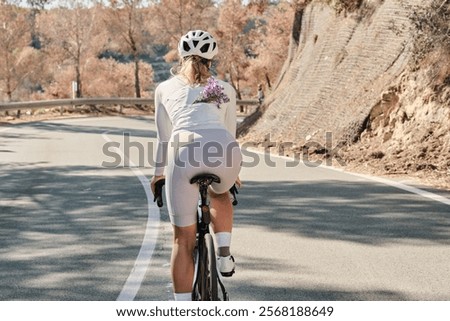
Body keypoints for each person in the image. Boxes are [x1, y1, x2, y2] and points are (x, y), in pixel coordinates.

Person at [150, 30, 242, 301]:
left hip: (183, 152)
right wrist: (234, 173)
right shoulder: (222, 89)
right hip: (225, 152)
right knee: (221, 191)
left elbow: (163, 139)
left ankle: (183, 309)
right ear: (212, 59)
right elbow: (229, 131)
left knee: (183, 239)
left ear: (180, 56)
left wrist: (158, 175)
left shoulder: (164, 88)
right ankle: (224, 255)